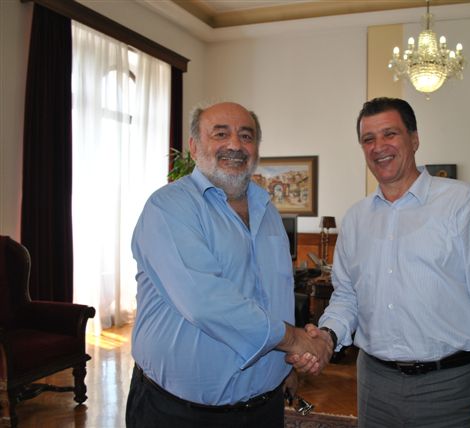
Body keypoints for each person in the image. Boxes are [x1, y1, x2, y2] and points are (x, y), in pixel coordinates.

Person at [291, 97, 470, 427]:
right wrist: (327, 336)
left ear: (414, 139)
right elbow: (346, 297)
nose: (378, 147)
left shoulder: (461, 204)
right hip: (375, 386)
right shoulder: (356, 219)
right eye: (368, 139)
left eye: (390, 134)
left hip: (452, 387)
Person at [126, 101, 332, 428]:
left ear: (256, 149)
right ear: (194, 146)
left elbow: (273, 296)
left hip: (264, 407)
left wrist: (285, 367)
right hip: (180, 413)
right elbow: (205, 302)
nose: (235, 144)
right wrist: (295, 340)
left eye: (246, 136)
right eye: (220, 134)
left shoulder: (268, 211)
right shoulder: (168, 208)